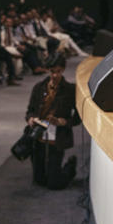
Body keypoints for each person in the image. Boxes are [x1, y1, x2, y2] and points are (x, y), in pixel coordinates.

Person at [25, 55, 79, 189]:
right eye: (52, 71)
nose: (55, 75)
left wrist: (63, 122)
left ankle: (70, 167)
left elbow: (78, 117)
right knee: (39, 180)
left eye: (59, 71)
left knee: (54, 184)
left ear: (63, 70)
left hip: (57, 136)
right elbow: (30, 111)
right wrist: (31, 119)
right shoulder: (38, 87)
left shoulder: (71, 90)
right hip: (38, 135)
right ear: (48, 70)